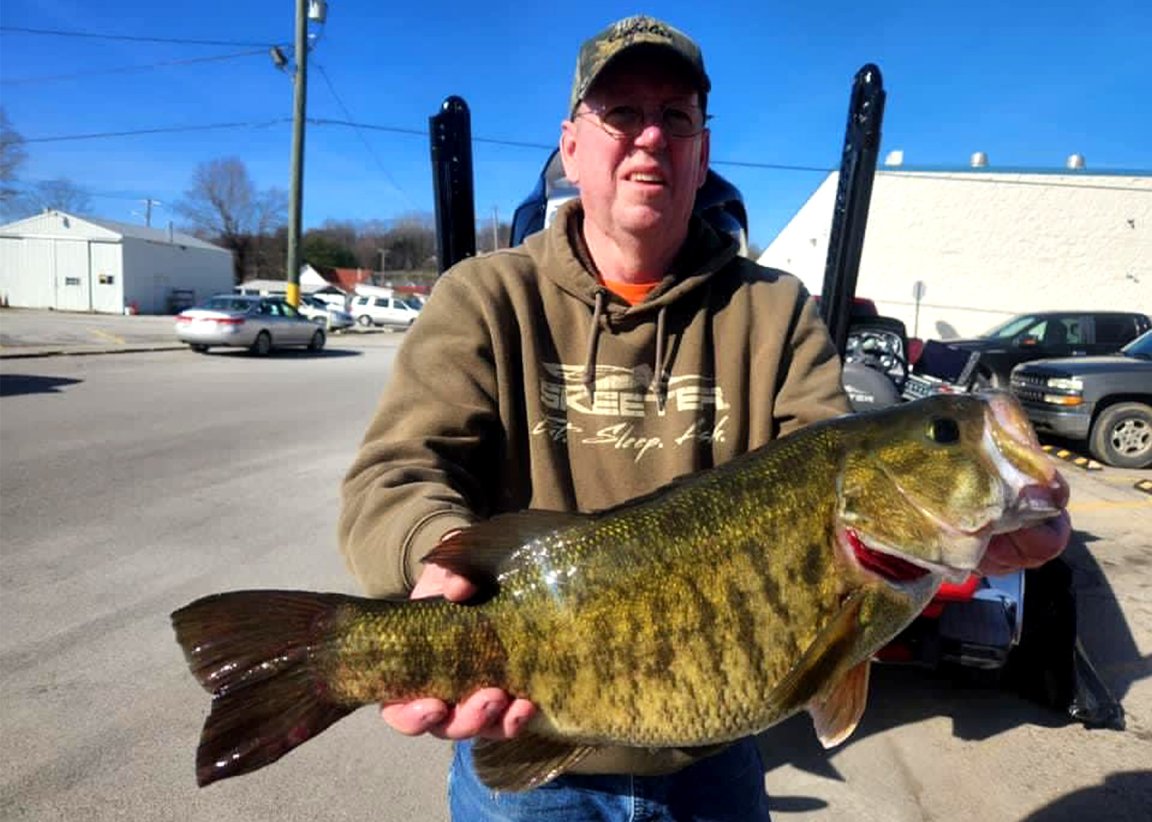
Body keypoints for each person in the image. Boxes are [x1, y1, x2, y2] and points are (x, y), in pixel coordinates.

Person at [339, 14, 1071, 820]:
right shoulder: (484, 297)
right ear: (572, 146)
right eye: (621, 113)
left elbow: (816, 466)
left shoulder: (774, 311)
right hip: (528, 745)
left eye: (676, 117)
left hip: (708, 767)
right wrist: (434, 558)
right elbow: (396, 471)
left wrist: (962, 537)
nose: (651, 136)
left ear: (702, 151)